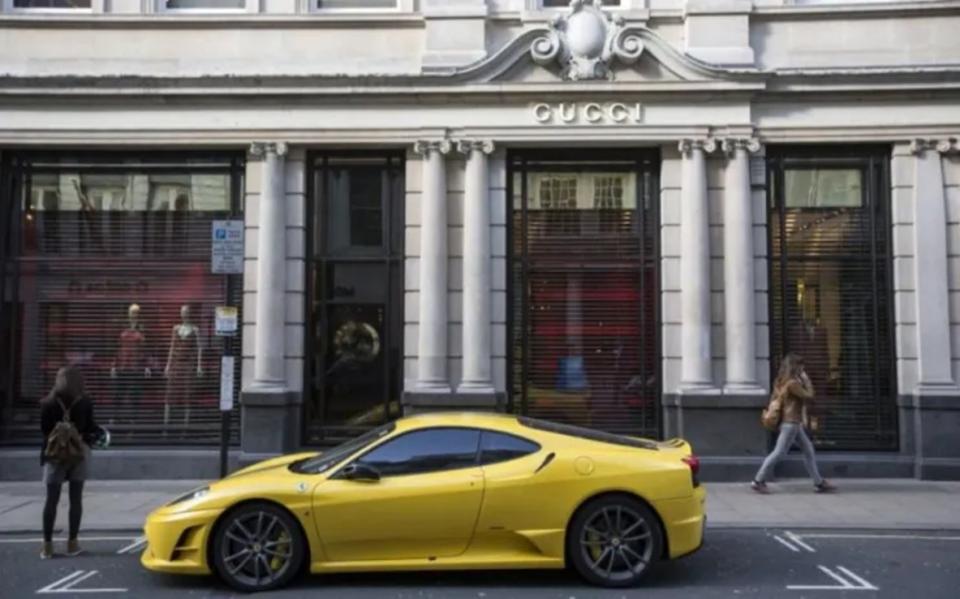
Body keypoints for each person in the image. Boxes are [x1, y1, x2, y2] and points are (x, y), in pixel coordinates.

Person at [751, 354, 836, 494]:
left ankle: (818, 482)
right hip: (790, 422)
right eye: (801, 365)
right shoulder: (792, 384)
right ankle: (758, 480)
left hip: (790, 422)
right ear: (795, 366)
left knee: (808, 450)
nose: (803, 368)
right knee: (779, 452)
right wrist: (807, 380)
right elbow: (809, 395)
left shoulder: (780, 381)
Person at [39, 366, 99, 559]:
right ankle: (72, 544)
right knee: (76, 499)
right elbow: (90, 427)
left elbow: (45, 431)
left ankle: (47, 546)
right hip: (78, 454)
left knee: (51, 500)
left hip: (54, 456)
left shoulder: (47, 403)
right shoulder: (85, 402)